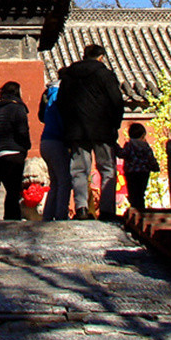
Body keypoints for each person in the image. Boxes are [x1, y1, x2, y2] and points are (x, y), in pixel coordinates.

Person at [57, 44, 124, 221]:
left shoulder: (69, 76)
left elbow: (61, 103)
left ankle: (81, 208)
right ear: (100, 57)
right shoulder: (105, 75)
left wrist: (69, 125)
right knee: (107, 168)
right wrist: (115, 124)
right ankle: (107, 210)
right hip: (103, 129)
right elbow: (117, 101)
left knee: (79, 169)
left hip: (76, 130)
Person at [0, 81, 30, 220]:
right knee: (14, 189)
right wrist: (26, 146)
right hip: (15, 153)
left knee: (10, 189)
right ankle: (12, 218)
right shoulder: (18, 109)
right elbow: (23, 131)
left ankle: (10, 217)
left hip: (0, 155)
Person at [39, 68, 77, 221]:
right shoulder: (60, 94)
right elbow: (61, 118)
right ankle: (61, 214)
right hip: (57, 140)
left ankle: (48, 214)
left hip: (46, 139)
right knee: (64, 180)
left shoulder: (49, 93)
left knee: (55, 181)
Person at [117, 122, 159, 212]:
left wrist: (116, 147)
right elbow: (150, 158)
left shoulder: (129, 145)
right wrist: (155, 166)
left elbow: (122, 154)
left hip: (131, 172)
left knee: (133, 192)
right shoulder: (145, 146)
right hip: (144, 172)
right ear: (143, 135)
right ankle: (141, 209)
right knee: (140, 193)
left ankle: (134, 208)